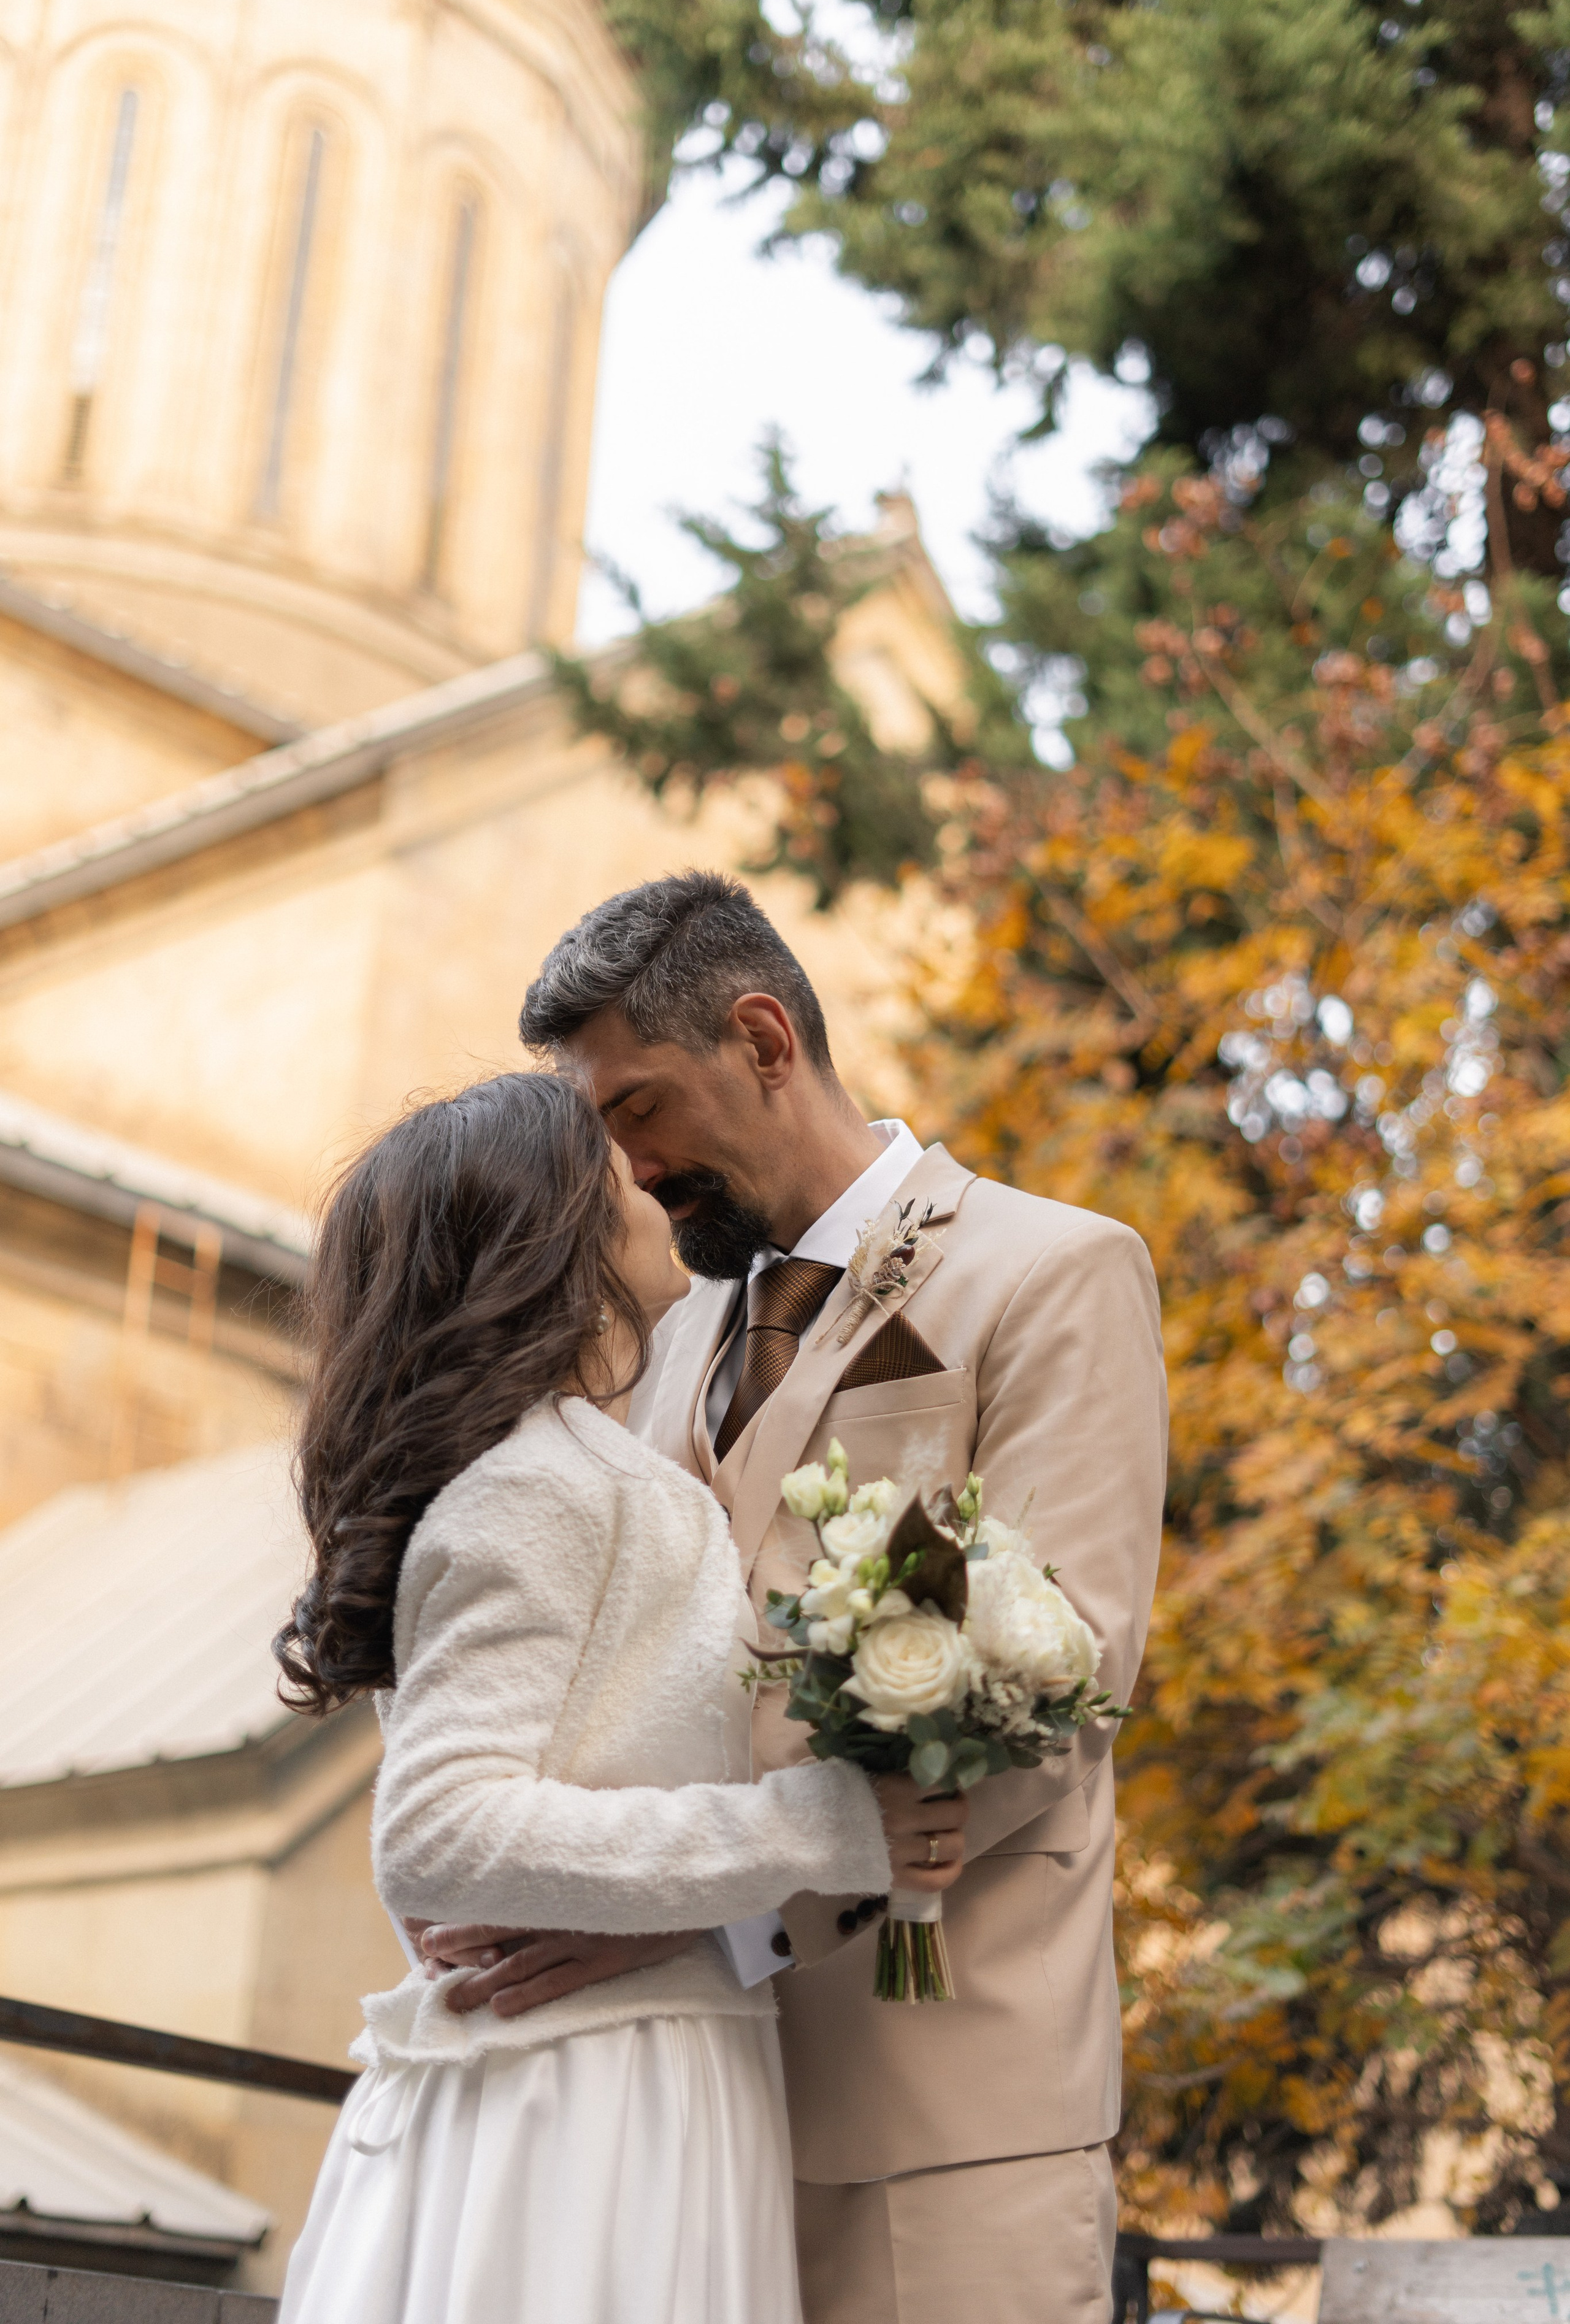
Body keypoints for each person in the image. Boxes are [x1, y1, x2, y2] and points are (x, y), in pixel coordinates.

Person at [426, 872, 1168, 2324]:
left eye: (638, 1110)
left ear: (764, 1038)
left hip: (945, 2112)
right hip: (677, 2105)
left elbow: (1050, 1697)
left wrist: (703, 1918)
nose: (627, 1172)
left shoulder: (1053, 1273)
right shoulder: (669, 1321)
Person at [271, 1069, 968, 2324]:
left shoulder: (591, 1465)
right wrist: (826, 1826)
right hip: (577, 2102)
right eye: (614, 1172)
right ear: (559, 1238)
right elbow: (440, 1835)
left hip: (643, 2066)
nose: (648, 1182)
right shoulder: (543, 1485)